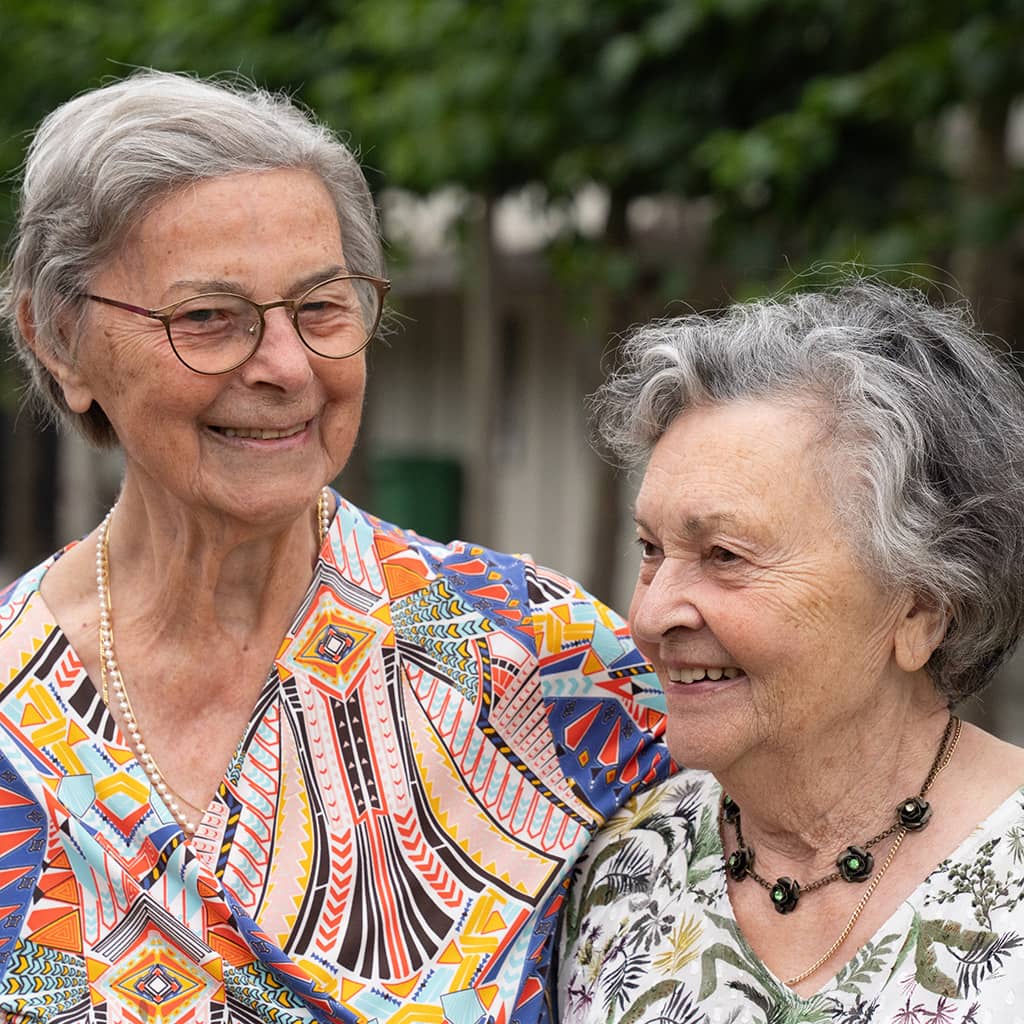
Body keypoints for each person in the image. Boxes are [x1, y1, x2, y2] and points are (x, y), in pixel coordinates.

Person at [0, 71, 669, 1024]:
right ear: (60, 340)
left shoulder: (539, 660)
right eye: (208, 319)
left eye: (322, 307)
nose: (285, 367)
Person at [558, 281, 1024, 1022]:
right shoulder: (621, 873)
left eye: (724, 555)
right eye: (651, 549)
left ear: (922, 608)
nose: (649, 614)